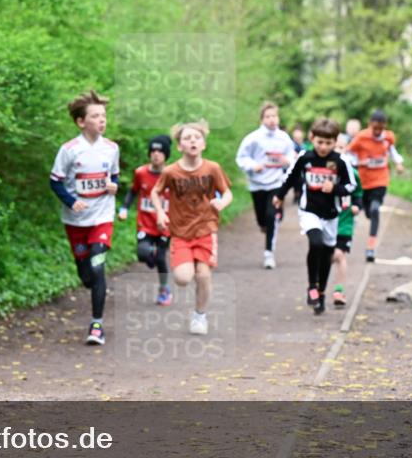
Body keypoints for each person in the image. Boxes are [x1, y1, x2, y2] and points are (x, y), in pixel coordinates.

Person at [50, 90, 120, 345]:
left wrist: (114, 185)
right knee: (86, 274)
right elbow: (55, 182)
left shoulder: (112, 148)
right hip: (75, 222)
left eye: (103, 116)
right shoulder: (69, 150)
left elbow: (114, 176)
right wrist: (71, 201)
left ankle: (96, 325)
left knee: (98, 265)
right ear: (81, 122)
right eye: (95, 116)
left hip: (102, 218)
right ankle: (93, 285)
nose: (102, 120)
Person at [151, 120, 232, 335]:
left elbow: (227, 192)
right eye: (187, 138)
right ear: (179, 146)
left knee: (203, 275)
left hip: (206, 229)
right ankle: (194, 299)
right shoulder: (171, 171)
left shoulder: (213, 168)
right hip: (180, 232)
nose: (193, 141)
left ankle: (199, 315)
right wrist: (160, 212)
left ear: (203, 144)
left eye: (197, 138)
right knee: (183, 278)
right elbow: (155, 192)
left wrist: (222, 203)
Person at [273, 118, 356, 315]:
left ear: (335, 142)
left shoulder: (340, 161)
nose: (323, 147)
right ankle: (311, 286)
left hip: (331, 214)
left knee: (327, 255)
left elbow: (351, 185)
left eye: (328, 143)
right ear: (312, 138)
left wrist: (335, 188)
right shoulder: (305, 157)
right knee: (316, 244)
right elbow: (290, 177)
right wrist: (279, 195)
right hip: (309, 210)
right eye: (320, 142)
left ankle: (321, 292)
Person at [235, 102, 296, 269]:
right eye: (268, 116)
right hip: (257, 184)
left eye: (274, 116)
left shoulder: (283, 137)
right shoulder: (252, 138)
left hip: (276, 182)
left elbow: (292, 155)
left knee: (271, 215)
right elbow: (241, 157)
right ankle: (269, 221)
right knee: (263, 220)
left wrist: (287, 160)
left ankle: (269, 254)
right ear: (262, 119)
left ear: (278, 118)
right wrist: (253, 166)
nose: (271, 120)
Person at [118, 135, 173, 306]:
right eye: (153, 151)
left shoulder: (172, 175)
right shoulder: (140, 172)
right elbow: (132, 191)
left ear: (166, 155)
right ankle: (152, 257)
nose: (156, 154)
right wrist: (124, 208)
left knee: (161, 258)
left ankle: (164, 289)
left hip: (165, 224)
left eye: (160, 151)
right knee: (142, 253)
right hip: (145, 223)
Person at [345, 109, 404, 262]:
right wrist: (358, 163)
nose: (378, 131)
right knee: (368, 212)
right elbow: (348, 153)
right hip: (364, 182)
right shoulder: (361, 137)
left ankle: (371, 248)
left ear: (384, 126)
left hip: (380, 179)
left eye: (381, 128)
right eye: (375, 128)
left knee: (375, 209)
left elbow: (392, 151)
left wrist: (398, 163)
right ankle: (369, 215)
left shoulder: (388, 137)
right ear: (370, 125)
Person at [332, 132, 363, 307]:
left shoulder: (352, 172)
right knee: (324, 256)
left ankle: (339, 291)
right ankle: (317, 289)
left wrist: (357, 205)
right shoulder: (323, 171)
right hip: (326, 221)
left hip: (345, 221)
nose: (337, 151)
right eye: (334, 147)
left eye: (341, 147)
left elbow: (358, 192)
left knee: (339, 255)